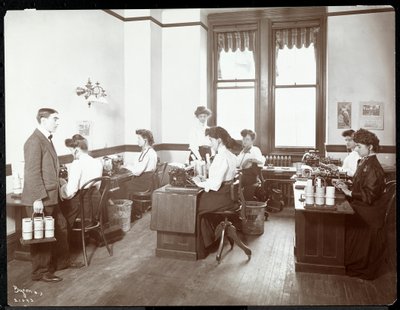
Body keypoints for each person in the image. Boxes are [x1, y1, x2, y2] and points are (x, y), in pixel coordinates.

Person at [21, 108, 68, 282]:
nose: (58, 122)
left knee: (60, 227)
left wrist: (59, 182)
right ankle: (40, 272)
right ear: (43, 119)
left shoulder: (45, 139)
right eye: (55, 119)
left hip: (52, 196)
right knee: (42, 235)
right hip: (41, 197)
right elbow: (32, 172)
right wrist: (37, 198)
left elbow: (48, 168)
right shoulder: (34, 141)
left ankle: (61, 263)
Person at [335, 128, 387, 280]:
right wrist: (345, 185)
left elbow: (369, 196)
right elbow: (360, 185)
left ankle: (344, 260)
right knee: (341, 209)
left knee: (340, 215)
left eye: (359, 147)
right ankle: (340, 258)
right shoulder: (365, 162)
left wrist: (349, 192)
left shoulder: (373, 167)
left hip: (369, 213)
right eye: (356, 146)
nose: (356, 150)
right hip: (363, 206)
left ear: (370, 147)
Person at [192, 126, 238, 259]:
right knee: (200, 201)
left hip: (221, 196)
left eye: (211, 140)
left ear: (219, 140)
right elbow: (220, 179)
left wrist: (198, 183)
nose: (210, 144)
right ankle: (210, 241)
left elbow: (215, 184)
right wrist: (206, 181)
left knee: (194, 205)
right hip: (228, 196)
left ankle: (202, 249)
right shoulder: (231, 155)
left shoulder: (221, 157)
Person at [59, 134, 103, 253]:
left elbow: (70, 192)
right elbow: (97, 186)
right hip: (94, 207)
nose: (71, 154)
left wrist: (62, 187)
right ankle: (88, 235)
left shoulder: (76, 164)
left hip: (83, 209)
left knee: (59, 216)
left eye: (71, 151)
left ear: (77, 150)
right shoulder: (97, 162)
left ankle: (63, 252)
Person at [236, 129, 265, 200]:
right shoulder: (243, 151)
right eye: (243, 139)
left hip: (250, 180)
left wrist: (250, 160)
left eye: (247, 139)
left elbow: (261, 161)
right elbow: (237, 163)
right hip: (242, 177)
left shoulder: (255, 150)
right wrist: (244, 163)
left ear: (252, 141)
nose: (244, 141)